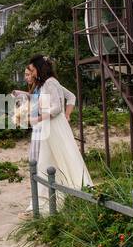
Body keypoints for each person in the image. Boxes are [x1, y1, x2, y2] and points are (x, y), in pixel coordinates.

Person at [19, 55, 91, 212]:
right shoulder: (47, 83)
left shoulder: (51, 82)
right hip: (48, 126)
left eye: (31, 70)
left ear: (39, 68)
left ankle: (51, 201)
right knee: (47, 161)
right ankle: (42, 202)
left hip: (52, 126)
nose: (30, 73)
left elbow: (57, 108)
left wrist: (39, 118)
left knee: (60, 159)